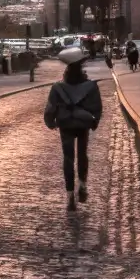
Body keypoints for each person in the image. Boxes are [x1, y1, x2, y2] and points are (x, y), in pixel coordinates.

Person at [44, 44, 103, 211]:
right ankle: (83, 185)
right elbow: (96, 107)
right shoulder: (91, 87)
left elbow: (50, 108)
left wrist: (50, 122)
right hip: (82, 124)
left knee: (68, 158)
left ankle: (70, 195)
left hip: (65, 125)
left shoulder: (58, 88)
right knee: (82, 154)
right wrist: (94, 121)